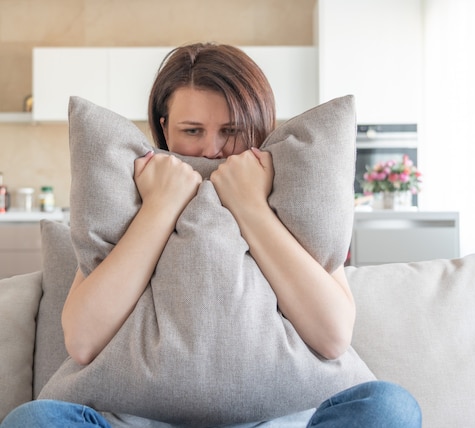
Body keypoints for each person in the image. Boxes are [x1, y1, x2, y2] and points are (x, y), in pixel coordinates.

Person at [0, 43, 421, 428]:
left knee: (390, 409)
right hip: (136, 420)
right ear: (164, 130)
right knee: (32, 421)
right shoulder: (131, 198)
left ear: (259, 127)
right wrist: (160, 208)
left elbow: (332, 337)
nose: (213, 151)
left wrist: (252, 208)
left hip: (279, 420)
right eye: (192, 131)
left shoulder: (292, 199)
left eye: (232, 131)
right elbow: (83, 341)